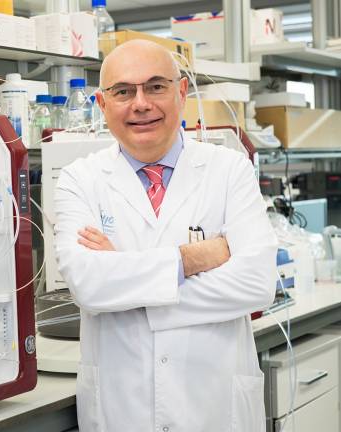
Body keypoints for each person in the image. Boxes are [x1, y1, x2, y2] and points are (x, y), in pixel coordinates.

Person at [53, 39, 278, 432]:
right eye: (123, 91)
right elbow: (89, 285)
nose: (140, 103)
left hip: (214, 408)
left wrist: (125, 285)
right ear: (102, 105)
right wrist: (191, 259)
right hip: (123, 410)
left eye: (156, 86)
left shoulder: (230, 170)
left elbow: (257, 284)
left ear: (181, 92)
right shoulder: (79, 179)